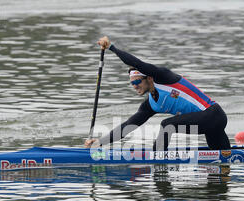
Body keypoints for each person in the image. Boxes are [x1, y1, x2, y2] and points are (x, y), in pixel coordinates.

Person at [84, 36, 230, 151]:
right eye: (132, 83)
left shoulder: (164, 77)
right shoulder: (150, 105)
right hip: (208, 124)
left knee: (167, 125)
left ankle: (157, 158)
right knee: (223, 159)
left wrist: (111, 47)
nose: (135, 86)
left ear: (149, 78)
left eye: (137, 82)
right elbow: (129, 126)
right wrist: (99, 142)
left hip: (214, 115)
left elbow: (139, 64)